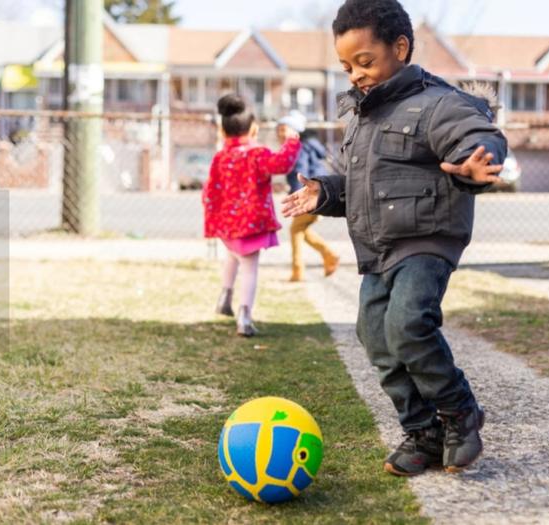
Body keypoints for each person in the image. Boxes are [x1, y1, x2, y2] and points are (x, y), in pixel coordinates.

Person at [281, 0, 507, 476]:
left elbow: (476, 133)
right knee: (375, 335)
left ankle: (460, 412)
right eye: (346, 67)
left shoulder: (437, 103)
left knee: (407, 325)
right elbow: (361, 184)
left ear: (399, 48)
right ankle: (422, 430)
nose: (356, 75)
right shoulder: (362, 117)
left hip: (427, 239)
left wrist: (472, 161)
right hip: (379, 247)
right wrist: (324, 192)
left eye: (365, 61)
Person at [204, 94, 301, 336]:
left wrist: (213, 217)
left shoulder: (221, 157)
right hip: (251, 224)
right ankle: (244, 315)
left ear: (224, 131)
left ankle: (224, 296)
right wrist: (291, 142)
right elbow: (281, 165)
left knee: (232, 256)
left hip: (227, 224)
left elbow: (210, 189)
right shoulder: (257, 154)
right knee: (249, 268)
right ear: (254, 128)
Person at [276, 110, 341, 282]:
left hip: (311, 196)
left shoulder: (299, 148)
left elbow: (301, 172)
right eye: (279, 130)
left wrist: (299, 197)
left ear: (296, 132)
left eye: (285, 129)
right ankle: (329, 256)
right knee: (301, 230)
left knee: (296, 230)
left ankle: (299, 270)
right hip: (320, 193)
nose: (281, 133)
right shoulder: (306, 146)